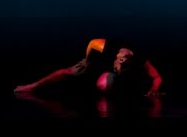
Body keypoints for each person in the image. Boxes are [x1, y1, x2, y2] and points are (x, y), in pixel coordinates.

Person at [13, 38, 163, 97]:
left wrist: (153, 90)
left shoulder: (141, 60)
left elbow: (157, 77)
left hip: (118, 75)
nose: (118, 69)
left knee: (107, 84)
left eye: (120, 69)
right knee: (69, 72)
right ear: (120, 59)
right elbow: (91, 43)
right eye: (118, 68)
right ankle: (32, 86)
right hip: (98, 60)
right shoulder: (106, 47)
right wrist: (87, 59)